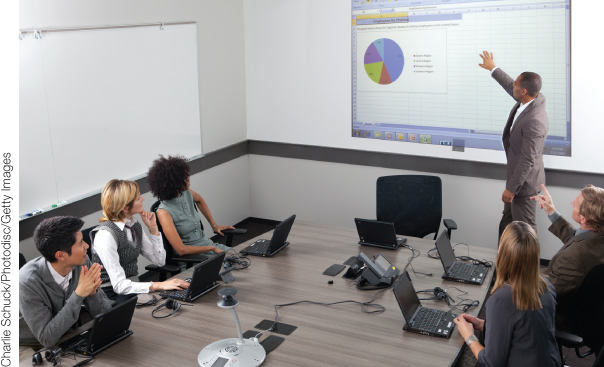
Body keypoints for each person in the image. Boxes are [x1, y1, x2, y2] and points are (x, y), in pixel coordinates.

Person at [453, 221, 560, 367]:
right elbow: (526, 331)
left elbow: (491, 363)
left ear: (501, 249)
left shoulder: (501, 301)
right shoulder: (546, 286)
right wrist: (485, 325)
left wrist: (469, 336)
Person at [478, 51, 549, 240]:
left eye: (516, 84)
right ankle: (503, 262)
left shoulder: (535, 121)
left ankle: (527, 269)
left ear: (524, 91)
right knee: (508, 223)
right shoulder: (531, 99)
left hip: (523, 186)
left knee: (525, 234)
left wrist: (512, 188)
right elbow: (510, 85)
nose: (513, 86)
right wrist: (493, 67)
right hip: (515, 180)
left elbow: (528, 160)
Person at [19, 216, 113, 348]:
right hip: (27, 344)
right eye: (80, 243)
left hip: (64, 332)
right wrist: (79, 294)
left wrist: (93, 293)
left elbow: (105, 315)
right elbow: (47, 338)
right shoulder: (27, 283)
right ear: (61, 255)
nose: (87, 246)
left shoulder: (81, 262)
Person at [90, 179, 189, 304]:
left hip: (132, 286)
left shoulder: (134, 225)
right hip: (110, 294)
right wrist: (158, 285)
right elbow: (119, 285)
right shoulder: (105, 235)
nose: (143, 199)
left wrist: (153, 228)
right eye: (138, 198)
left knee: (172, 300)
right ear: (125, 208)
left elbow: (160, 261)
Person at [531, 184, 604, 332]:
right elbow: (575, 238)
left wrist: (516, 271)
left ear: (583, 219)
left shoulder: (575, 257)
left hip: (563, 317)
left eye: (575, 203)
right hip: (593, 311)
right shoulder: (597, 238)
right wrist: (551, 211)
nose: (572, 203)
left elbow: (543, 291)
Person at [147, 155, 234, 256]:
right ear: (173, 182)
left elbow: (200, 200)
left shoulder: (187, 193)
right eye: (183, 177)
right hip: (195, 258)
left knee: (246, 258)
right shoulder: (164, 212)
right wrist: (211, 248)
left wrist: (214, 225)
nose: (188, 178)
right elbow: (181, 250)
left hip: (210, 246)